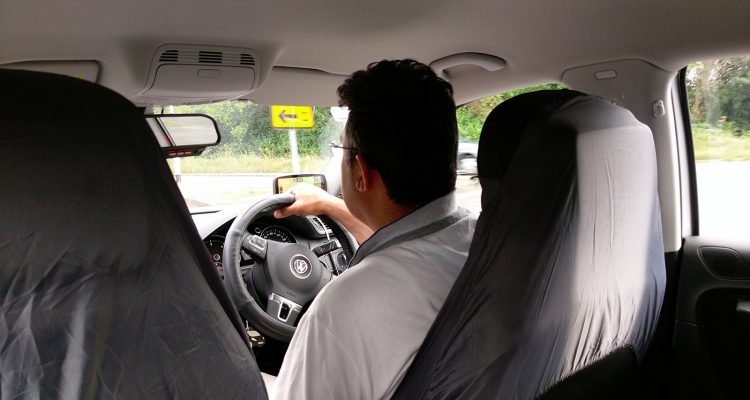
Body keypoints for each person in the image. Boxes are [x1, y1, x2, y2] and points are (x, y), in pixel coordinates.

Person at [270, 59, 476, 400]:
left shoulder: (341, 309)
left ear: (361, 172)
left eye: (341, 150)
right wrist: (330, 205)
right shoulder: (484, 238)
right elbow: (404, 243)